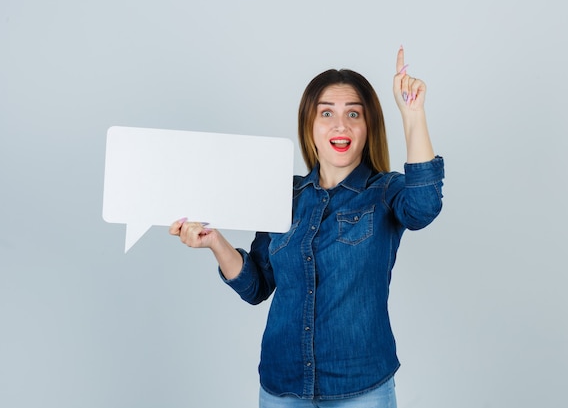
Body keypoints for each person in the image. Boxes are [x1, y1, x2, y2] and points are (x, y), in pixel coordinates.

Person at [169, 46, 445, 408]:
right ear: (309, 126)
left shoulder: (384, 191)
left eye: (354, 114)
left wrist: (412, 114)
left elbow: (424, 207)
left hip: (361, 388)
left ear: (367, 127)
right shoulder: (283, 194)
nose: (340, 124)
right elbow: (257, 286)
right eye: (326, 113)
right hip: (283, 386)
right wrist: (215, 242)